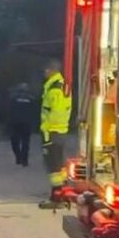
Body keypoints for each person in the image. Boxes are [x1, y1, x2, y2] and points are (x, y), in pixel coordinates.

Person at [38, 59, 72, 210]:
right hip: (59, 131)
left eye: (46, 70)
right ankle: (61, 194)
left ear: (52, 70)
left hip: (52, 132)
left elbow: (56, 113)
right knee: (58, 165)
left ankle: (57, 197)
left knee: (53, 167)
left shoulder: (55, 88)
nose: (44, 73)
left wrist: (46, 128)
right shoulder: (58, 86)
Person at [8, 82, 36, 167]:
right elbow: (34, 112)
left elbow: (9, 110)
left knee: (15, 141)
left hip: (15, 123)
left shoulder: (13, 98)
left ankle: (18, 157)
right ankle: (24, 160)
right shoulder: (31, 99)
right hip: (26, 123)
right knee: (25, 143)